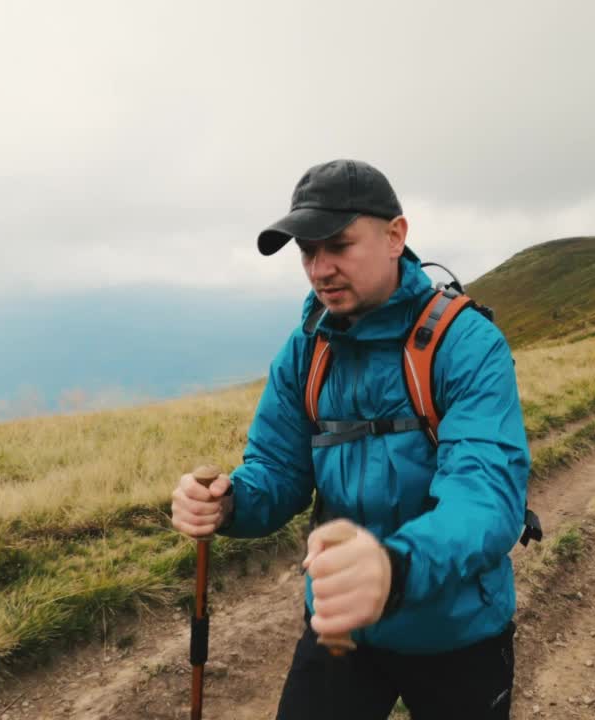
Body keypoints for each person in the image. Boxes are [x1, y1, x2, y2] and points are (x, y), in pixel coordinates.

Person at [170, 158, 531, 719]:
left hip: (457, 628)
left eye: (337, 245)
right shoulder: (305, 350)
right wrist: (230, 502)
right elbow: (279, 470)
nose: (320, 269)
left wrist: (393, 567)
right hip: (341, 624)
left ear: (395, 236)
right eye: (308, 253)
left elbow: (485, 495)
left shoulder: (466, 344)